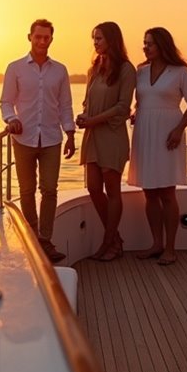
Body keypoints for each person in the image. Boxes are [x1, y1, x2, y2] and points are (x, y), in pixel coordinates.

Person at [0, 18, 77, 263]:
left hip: (52, 138)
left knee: (50, 189)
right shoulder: (15, 68)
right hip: (24, 137)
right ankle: (32, 237)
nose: (42, 41)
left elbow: (65, 105)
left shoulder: (60, 70)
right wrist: (11, 118)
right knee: (26, 190)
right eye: (38, 37)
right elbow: (5, 101)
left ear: (51, 39)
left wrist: (71, 133)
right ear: (30, 37)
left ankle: (45, 240)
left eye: (46, 37)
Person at [127, 27, 187, 266]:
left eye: (150, 43)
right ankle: (156, 243)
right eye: (144, 43)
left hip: (169, 133)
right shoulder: (140, 71)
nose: (145, 47)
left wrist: (179, 129)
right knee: (149, 191)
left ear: (162, 45)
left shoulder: (181, 72)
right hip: (144, 132)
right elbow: (141, 100)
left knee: (167, 192)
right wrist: (137, 113)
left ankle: (170, 248)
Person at [76, 21, 137, 262]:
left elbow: (123, 107)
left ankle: (107, 242)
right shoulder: (94, 68)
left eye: (99, 38)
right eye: (93, 38)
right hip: (92, 136)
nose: (95, 43)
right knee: (93, 187)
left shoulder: (126, 69)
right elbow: (86, 101)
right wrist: (84, 116)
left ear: (111, 40)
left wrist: (94, 120)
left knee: (112, 190)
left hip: (112, 135)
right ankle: (115, 240)